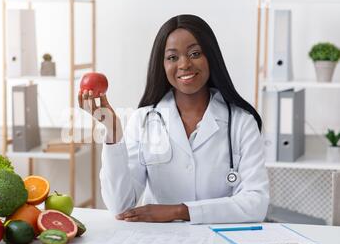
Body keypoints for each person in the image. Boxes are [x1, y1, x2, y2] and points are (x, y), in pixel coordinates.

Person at [78, 14, 269, 224]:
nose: (185, 64)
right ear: (162, 65)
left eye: (195, 53)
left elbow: (256, 203)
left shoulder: (242, 122)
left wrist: (179, 211)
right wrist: (113, 134)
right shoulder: (143, 120)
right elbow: (120, 206)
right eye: (172, 57)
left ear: (210, 57)